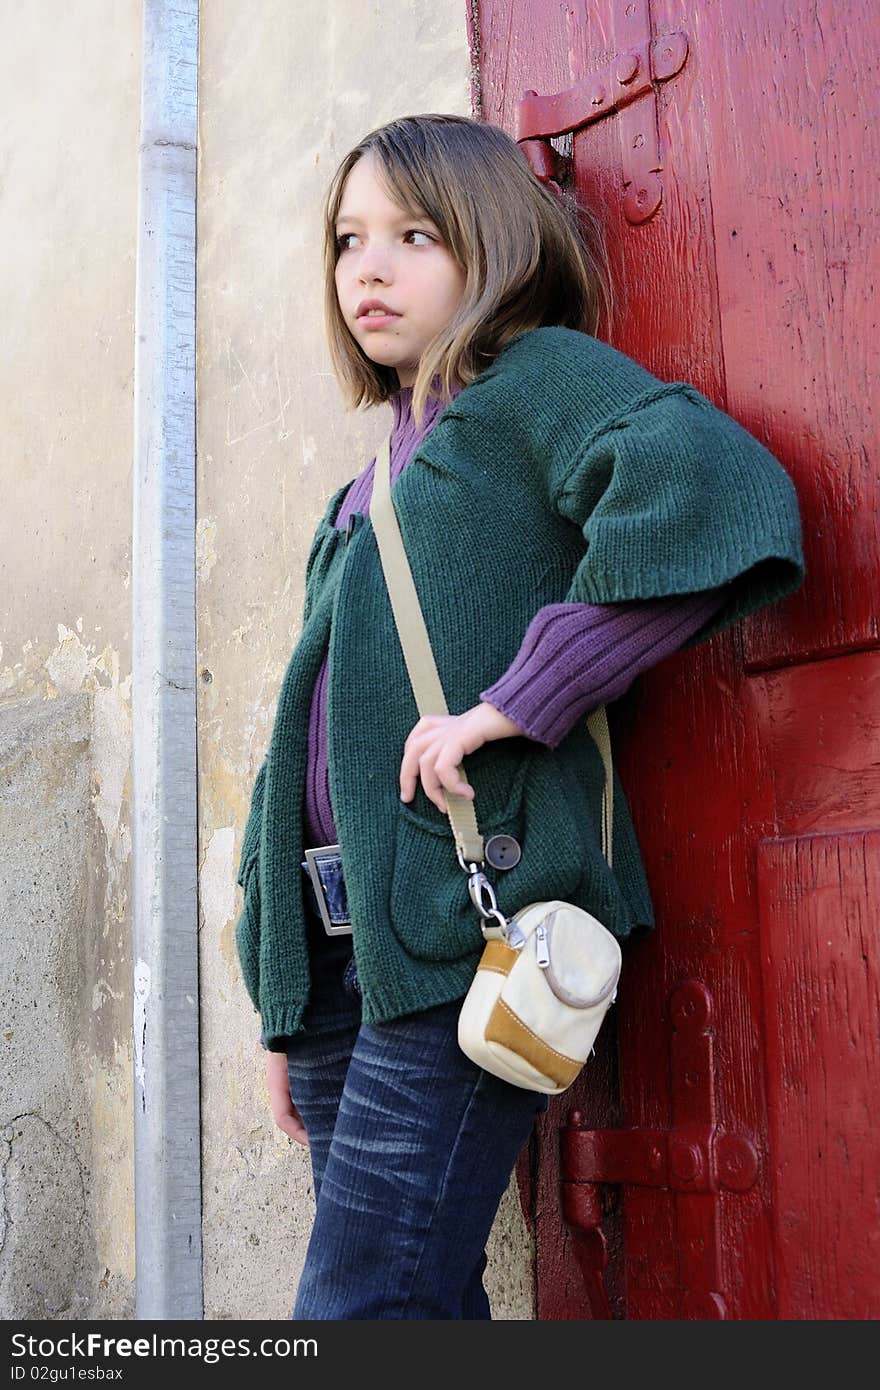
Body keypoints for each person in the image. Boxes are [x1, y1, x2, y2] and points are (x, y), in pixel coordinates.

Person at [234, 113, 804, 1320]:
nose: (367, 270)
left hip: (459, 930)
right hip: (348, 958)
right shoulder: (360, 491)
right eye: (346, 241)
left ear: (493, 243)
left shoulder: (540, 379)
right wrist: (281, 999)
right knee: (414, 1297)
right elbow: (304, 745)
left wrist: (515, 702)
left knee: (358, 1307)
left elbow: (722, 491)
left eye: (413, 235)